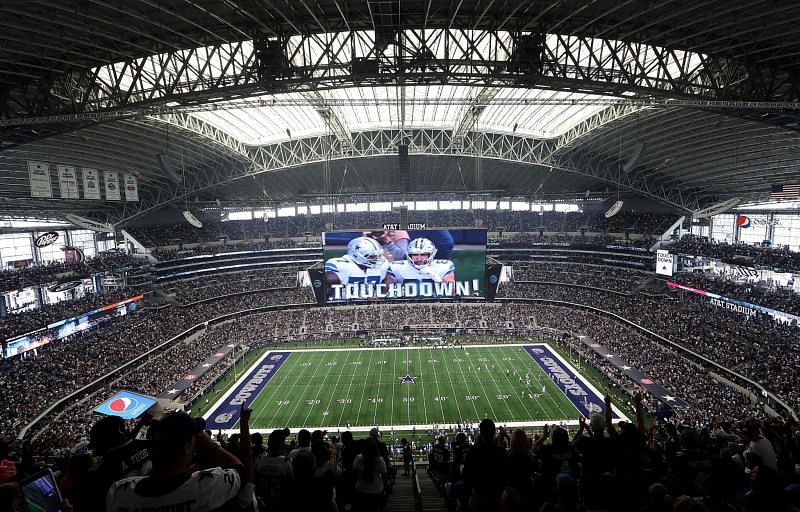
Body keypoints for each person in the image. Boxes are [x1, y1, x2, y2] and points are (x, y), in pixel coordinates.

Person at [105, 412, 245, 512]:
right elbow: (241, 472)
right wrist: (212, 446)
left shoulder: (118, 492)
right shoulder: (208, 484)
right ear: (186, 448)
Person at [385, 238, 456, 297]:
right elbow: (386, 293)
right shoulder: (397, 267)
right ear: (409, 255)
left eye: (423, 255)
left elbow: (453, 294)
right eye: (415, 254)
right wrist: (398, 291)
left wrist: (437, 278)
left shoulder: (443, 266)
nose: (419, 258)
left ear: (431, 254)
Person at [324, 236, 389, 299]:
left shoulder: (382, 265)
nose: (376, 259)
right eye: (372, 257)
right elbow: (328, 280)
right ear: (356, 255)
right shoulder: (340, 264)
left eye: (378, 256)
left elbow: (388, 282)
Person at [353, 437, 387, 512]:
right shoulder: (380, 460)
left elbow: (354, 471)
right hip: (377, 489)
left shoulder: (358, 458)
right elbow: (384, 474)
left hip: (361, 488)